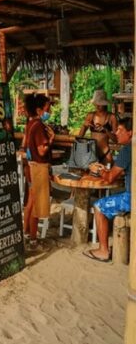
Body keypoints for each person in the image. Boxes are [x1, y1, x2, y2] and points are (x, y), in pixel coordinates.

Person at [84, 119, 132, 262]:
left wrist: (98, 171)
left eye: (120, 130)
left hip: (132, 198)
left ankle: (103, 250)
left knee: (99, 206)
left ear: (130, 133)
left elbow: (110, 178)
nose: (116, 133)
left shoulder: (128, 149)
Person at [23, 93, 54, 241]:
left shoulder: (30, 124)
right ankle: (34, 239)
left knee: (30, 201)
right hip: (38, 168)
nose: (49, 111)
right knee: (36, 204)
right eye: (47, 108)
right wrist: (51, 139)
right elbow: (42, 149)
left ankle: (26, 231)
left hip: (30, 167)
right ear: (38, 110)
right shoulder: (39, 126)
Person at [76, 89, 118, 162]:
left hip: (105, 153)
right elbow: (79, 137)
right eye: (96, 104)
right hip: (92, 153)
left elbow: (116, 139)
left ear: (104, 104)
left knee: (107, 172)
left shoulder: (111, 117)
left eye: (100, 104)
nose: (97, 106)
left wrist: (106, 130)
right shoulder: (90, 116)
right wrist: (84, 126)